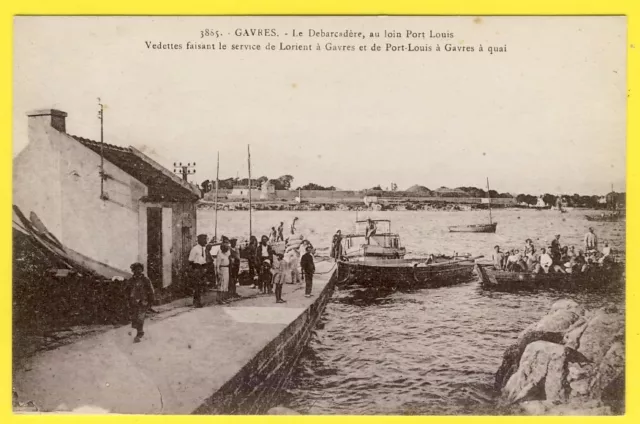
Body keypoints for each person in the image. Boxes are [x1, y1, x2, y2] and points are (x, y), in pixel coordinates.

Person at [128, 262, 155, 343]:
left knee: (140, 317)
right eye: (135, 270)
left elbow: (151, 290)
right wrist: (128, 300)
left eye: (139, 269)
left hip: (143, 301)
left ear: (142, 270)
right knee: (134, 317)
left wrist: (151, 300)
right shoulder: (131, 280)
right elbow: (127, 290)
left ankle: (139, 333)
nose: (137, 271)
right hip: (133, 301)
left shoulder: (146, 280)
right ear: (133, 271)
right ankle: (136, 331)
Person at [188, 234, 209, 308]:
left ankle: (198, 301)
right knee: (197, 285)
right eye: (204, 239)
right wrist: (196, 269)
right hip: (197, 268)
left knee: (200, 286)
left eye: (206, 239)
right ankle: (196, 302)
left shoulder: (203, 249)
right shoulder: (195, 249)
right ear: (199, 240)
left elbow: (203, 260)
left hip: (202, 268)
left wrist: (204, 268)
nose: (205, 241)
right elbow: (190, 260)